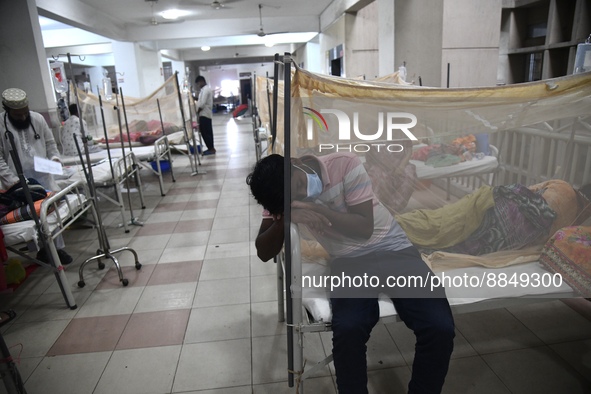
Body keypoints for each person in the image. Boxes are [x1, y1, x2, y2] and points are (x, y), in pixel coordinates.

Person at [247, 153, 455, 394]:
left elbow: (364, 228)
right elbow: (264, 251)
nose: (303, 195)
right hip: (349, 262)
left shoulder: (344, 164)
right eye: (295, 199)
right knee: (348, 330)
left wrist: (314, 209)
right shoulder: (279, 192)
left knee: (439, 327)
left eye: (301, 185)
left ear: (296, 162)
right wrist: (285, 219)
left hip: (395, 250)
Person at [0, 88, 72, 265]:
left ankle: (57, 249)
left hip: (43, 175)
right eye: (18, 115)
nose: (23, 118)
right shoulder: (1, 125)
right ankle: (43, 250)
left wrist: (55, 159)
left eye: (25, 113)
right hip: (18, 180)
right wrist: (13, 181)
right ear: (7, 110)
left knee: (50, 212)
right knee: (33, 215)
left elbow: (50, 143)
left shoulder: (37, 118)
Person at [194, 76, 216, 156]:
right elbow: (200, 100)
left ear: (202, 81)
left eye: (198, 83)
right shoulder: (204, 90)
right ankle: (211, 147)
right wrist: (194, 98)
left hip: (204, 114)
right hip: (205, 114)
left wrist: (197, 112)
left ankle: (211, 148)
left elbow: (202, 104)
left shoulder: (206, 90)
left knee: (205, 132)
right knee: (208, 132)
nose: (198, 85)